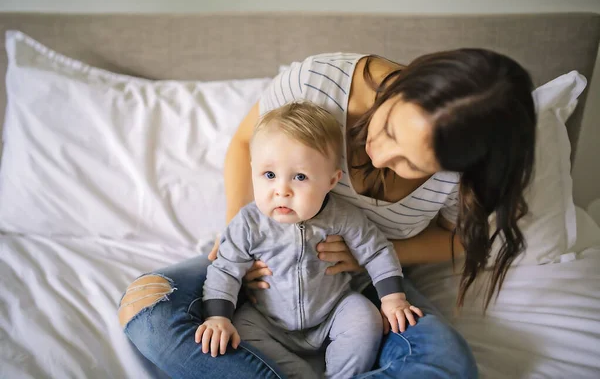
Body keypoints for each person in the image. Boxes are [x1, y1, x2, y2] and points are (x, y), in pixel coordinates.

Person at [118, 49, 536, 379]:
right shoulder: (318, 85)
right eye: (389, 128)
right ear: (402, 85)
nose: (381, 154)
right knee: (148, 313)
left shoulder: (465, 175)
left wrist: (370, 258)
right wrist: (237, 235)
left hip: (356, 283)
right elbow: (248, 142)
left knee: (447, 364)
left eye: (411, 163)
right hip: (264, 264)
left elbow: (458, 237)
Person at [198, 102, 422, 378]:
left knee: (366, 317)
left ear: (331, 180)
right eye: (269, 175)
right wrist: (217, 317)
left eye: (300, 177)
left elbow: (376, 252)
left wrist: (393, 299)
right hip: (268, 320)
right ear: (253, 169)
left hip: (332, 311)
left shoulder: (342, 216)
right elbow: (225, 269)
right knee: (241, 329)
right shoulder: (248, 223)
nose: (282, 190)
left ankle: (341, 374)